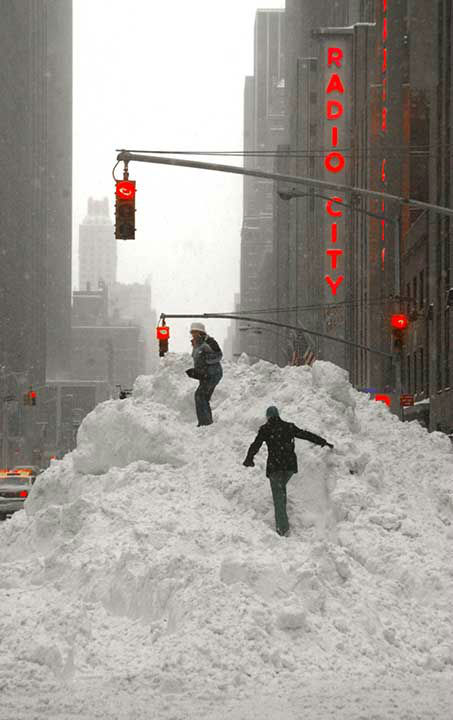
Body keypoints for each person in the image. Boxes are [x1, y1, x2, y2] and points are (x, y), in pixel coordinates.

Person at [243, 406, 333, 536]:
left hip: (275, 467)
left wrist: (249, 459)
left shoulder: (265, 429)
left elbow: (255, 445)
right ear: (278, 415)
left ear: (268, 417)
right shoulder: (288, 427)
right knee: (281, 491)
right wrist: (323, 442)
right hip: (289, 467)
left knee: (278, 497)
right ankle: (283, 522)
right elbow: (305, 434)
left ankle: (282, 529)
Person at [186, 322, 223, 426]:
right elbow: (198, 361)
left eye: (195, 333)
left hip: (213, 374)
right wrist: (195, 372)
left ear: (201, 332)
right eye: (192, 333)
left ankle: (205, 422)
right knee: (202, 396)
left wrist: (206, 360)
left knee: (200, 395)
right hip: (205, 374)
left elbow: (219, 355)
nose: (193, 335)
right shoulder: (196, 345)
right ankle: (205, 422)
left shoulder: (210, 341)